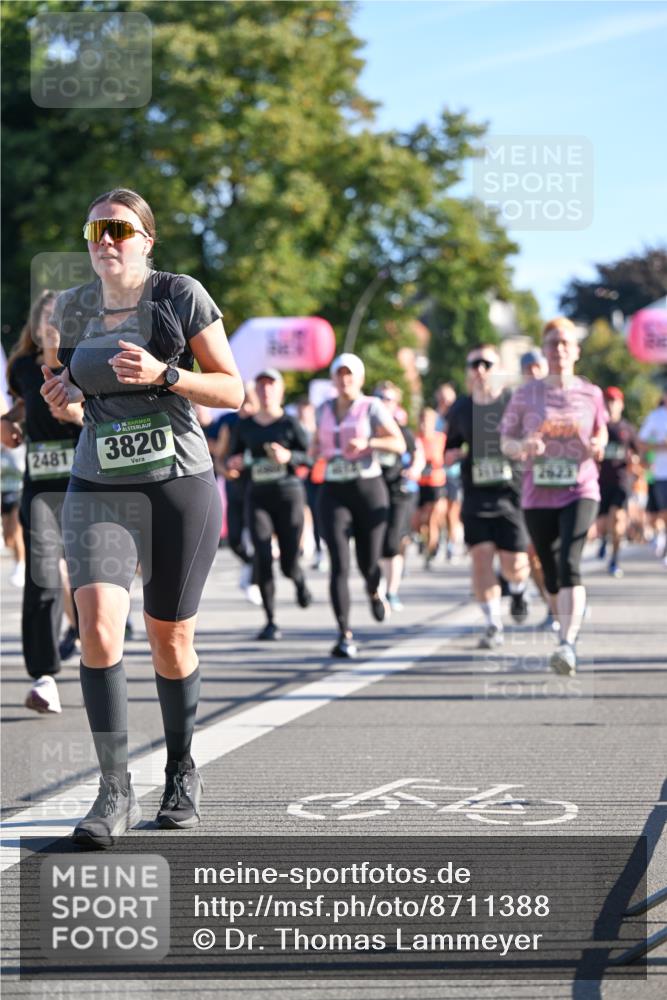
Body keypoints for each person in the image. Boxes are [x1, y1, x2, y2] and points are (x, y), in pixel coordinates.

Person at [41, 188, 243, 847]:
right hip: (97, 482)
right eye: (95, 226)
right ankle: (113, 791)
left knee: (169, 638)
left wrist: (166, 374)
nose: (105, 238)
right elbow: (74, 406)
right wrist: (61, 395)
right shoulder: (70, 308)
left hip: (177, 483)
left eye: (120, 228)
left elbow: (232, 389)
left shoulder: (178, 295)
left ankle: (182, 771)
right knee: (99, 629)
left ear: (145, 239)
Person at [500, 317, 608, 676]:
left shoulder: (591, 393)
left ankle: (567, 643)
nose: (559, 350)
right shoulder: (525, 394)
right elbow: (505, 442)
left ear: (576, 351)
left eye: (565, 343)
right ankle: (563, 615)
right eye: (552, 344)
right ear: (544, 351)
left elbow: (601, 432)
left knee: (570, 564)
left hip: (581, 487)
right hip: (537, 493)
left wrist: (598, 445)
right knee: (549, 571)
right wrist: (523, 445)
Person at [3, 291, 83, 713]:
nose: (52, 321)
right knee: (43, 575)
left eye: (60, 316)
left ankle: (101, 646)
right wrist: (6, 423)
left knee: (90, 577)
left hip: (87, 484)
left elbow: (106, 417)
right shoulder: (22, 369)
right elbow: (23, 404)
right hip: (40, 487)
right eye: (45, 315)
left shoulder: (85, 365)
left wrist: (77, 417)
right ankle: (44, 675)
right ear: (35, 326)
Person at [311, 353, 405, 658]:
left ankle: (375, 591)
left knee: (368, 562)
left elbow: (398, 443)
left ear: (360, 378)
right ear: (333, 378)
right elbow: (316, 446)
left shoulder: (372, 407)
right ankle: (344, 634)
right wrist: (314, 452)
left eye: (350, 374)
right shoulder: (323, 408)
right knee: (338, 562)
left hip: (368, 488)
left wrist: (369, 444)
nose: (344, 379)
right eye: (339, 373)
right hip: (334, 490)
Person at [445, 345, 531, 649]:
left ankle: (519, 589)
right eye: (474, 364)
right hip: (476, 494)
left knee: (514, 563)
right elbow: (450, 445)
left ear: (498, 368)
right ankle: (493, 622)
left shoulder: (514, 402)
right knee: (480, 557)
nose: (480, 370)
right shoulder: (460, 408)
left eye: (486, 364)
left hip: (511, 494)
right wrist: (451, 454)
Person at [226, 368, 312, 640]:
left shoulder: (290, 424)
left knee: (288, 562)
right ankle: (271, 620)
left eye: (271, 385)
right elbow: (233, 457)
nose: (266, 391)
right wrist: (234, 464)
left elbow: (310, 457)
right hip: (257, 496)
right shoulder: (246, 426)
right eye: (261, 386)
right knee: (262, 556)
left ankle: (298, 579)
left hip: (288, 495)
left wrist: (289, 457)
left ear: (281, 390)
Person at [373, 380, 421, 611]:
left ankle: (391, 591)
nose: (384, 403)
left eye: (388, 399)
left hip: (399, 491)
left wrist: (415, 469)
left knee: (392, 540)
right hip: (374, 490)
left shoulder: (403, 432)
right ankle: (382, 586)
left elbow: (417, 454)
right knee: (377, 541)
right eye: (380, 398)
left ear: (396, 404)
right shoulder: (368, 430)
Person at [213, 383, 263, 605]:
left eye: (250, 399)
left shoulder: (262, 422)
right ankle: (251, 563)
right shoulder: (229, 422)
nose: (246, 405)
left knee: (257, 536)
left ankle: (254, 579)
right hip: (235, 487)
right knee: (234, 540)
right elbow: (219, 457)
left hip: (259, 488)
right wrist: (226, 470)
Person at [596, 387, 640, 578]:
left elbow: (640, 454)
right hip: (599, 482)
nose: (611, 405)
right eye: (607, 401)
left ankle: (615, 558)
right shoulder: (597, 427)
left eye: (614, 401)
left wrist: (637, 463)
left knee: (618, 520)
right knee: (603, 523)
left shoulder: (627, 429)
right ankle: (604, 540)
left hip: (621, 480)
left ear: (621, 405)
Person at [414, 407, 447, 568]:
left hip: (436, 483)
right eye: (422, 420)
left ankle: (430, 553)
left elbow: (448, 457)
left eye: (427, 420)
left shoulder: (441, 438)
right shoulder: (416, 439)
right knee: (420, 521)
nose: (424, 424)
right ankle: (425, 541)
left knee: (432, 519)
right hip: (419, 484)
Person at [638, 386, 667, 564]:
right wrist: (660, 446)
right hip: (660, 473)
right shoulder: (656, 417)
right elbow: (641, 442)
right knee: (660, 513)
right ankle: (662, 537)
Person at [435, 382, 462, 560]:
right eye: (442, 398)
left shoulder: (460, 416)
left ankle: (451, 545)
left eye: (448, 398)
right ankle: (436, 540)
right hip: (437, 472)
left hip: (455, 472)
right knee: (438, 510)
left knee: (453, 512)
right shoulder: (435, 419)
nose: (445, 401)